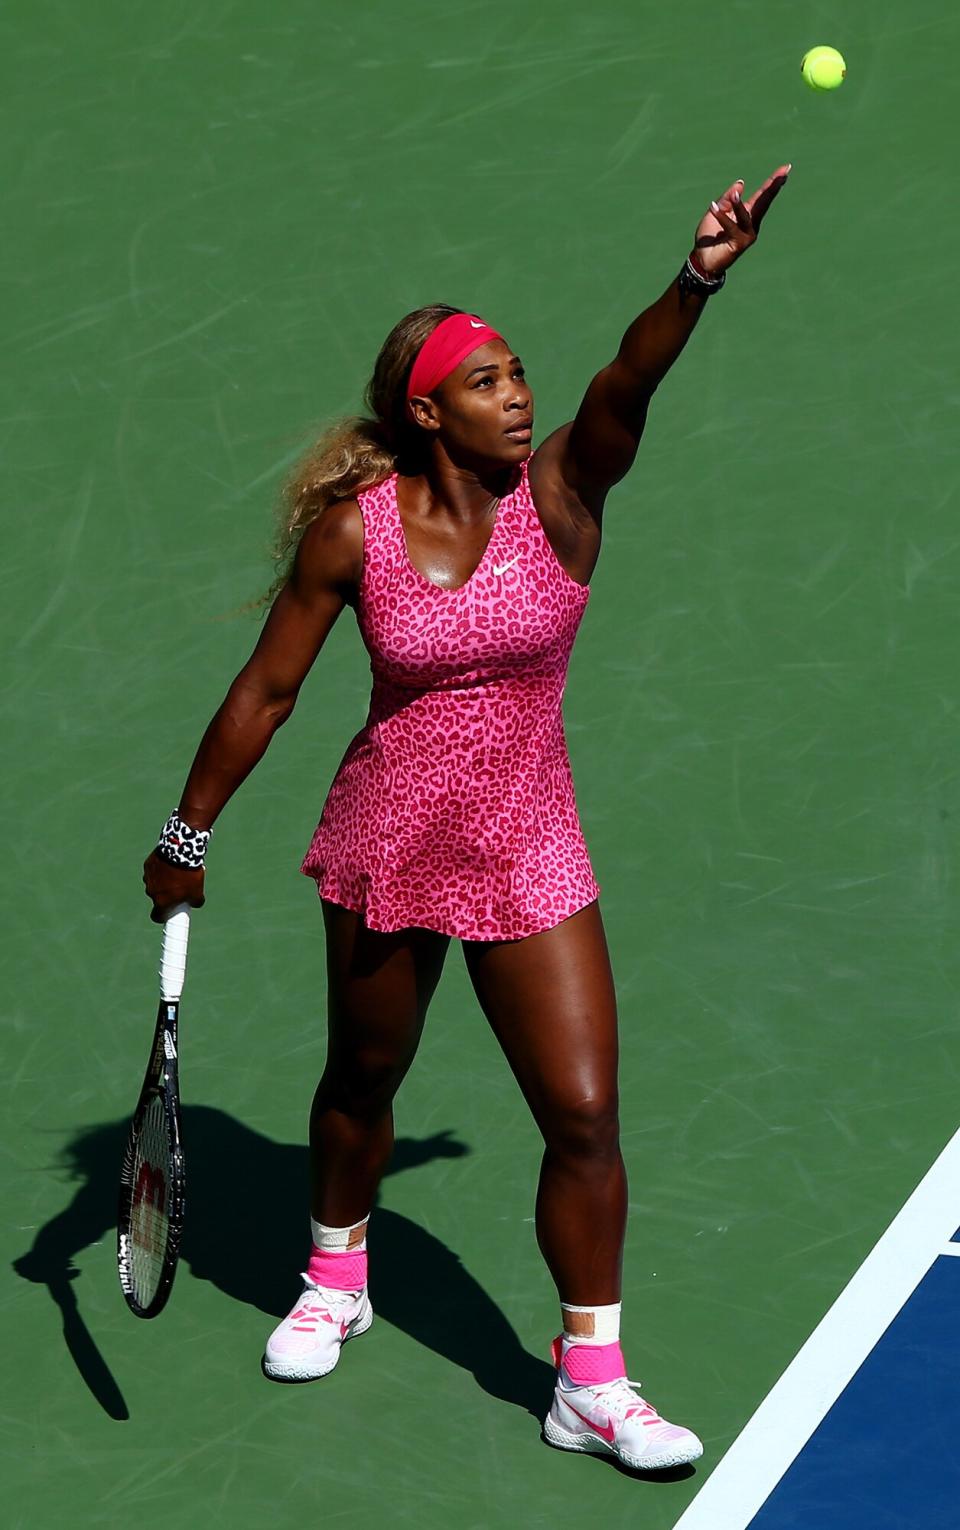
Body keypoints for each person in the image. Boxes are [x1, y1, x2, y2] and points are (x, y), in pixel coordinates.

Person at [144, 166, 790, 1473]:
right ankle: (337, 1273)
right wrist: (190, 830)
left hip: (530, 844)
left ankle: (589, 1381)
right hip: (388, 838)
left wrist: (699, 276)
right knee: (361, 1084)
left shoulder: (561, 496)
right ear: (427, 408)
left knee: (587, 1112)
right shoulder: (354, 537)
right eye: (490, 381)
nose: (522, 397)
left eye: (519, 375)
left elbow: (627, 385)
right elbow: (267, 692)